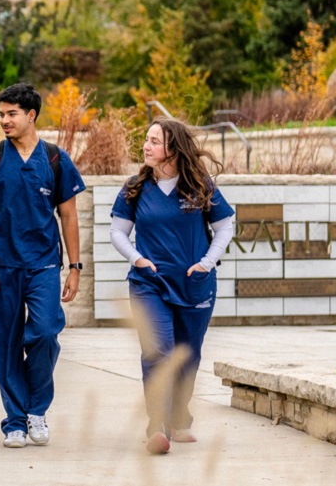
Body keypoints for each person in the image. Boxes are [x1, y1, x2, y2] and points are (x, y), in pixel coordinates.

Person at [0, 83, 85, 449]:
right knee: (6, 343)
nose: (4, 120)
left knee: (46, 332)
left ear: (31, 115)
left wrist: (75, 267)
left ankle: (36, 410)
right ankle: (15, 421)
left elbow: (69, 215)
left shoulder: (55, 159)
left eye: (11, 113)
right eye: (1, 114)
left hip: (43, 264)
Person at [109, 118, 237, 455]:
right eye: (146, 140)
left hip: (194, 285)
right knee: (158, 351)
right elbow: (118, 232)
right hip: (148, 284)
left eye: (153, 141)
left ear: (172, 149)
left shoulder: (199, 185)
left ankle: (179, 417)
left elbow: (225, 226)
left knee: (187, 355)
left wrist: (206, 263)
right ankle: (156, 425)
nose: (146, 147)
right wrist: (137, 259)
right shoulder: (135, 186)